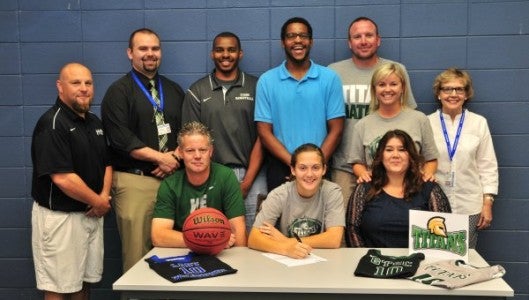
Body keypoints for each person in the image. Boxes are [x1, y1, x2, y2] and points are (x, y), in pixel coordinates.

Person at [101, 28, 185, 272]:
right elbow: (120, 138)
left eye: (155, 48)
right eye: (143, 48)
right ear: (130, 53)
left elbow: (188, 131)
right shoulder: (118, 92)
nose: (150, 54)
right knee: (137, 256)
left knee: (174, 256)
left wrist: (176, 158)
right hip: (135, 182)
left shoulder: (173, 90)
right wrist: (161, 158)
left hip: (173, 182)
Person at [31, 62, 112, 299]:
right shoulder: (52, 123)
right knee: (59, 287)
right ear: (60, 87)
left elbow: (107, 164)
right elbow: (63, 178)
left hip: (92, 215)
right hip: (61, 220)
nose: (84, 88)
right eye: (76, 83)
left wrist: (103, 198)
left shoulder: (94, 122)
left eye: (88, 83)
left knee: (84, 283)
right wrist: (98, 202)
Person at [181, 32, 267, 232]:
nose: (225, 55)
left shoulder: (257, 87)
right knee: (215, 235)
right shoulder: (198, 91)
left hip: (252, 174)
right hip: (212, 175)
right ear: (212, 54)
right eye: (220, 50)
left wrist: (247, 182)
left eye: (231, 50)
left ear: (240, 54)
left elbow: (264, 136)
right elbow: (193, 143)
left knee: (255, 235)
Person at [328, 16, 417, 202]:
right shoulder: (333, 73)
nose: (363, 41)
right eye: (357, 36)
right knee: (342, 224)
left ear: (378, 40)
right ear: (349, 43)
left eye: (369, 35)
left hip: (391, 170)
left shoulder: (395, 70)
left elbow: (408, 117)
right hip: (344, 168)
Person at [255, 17, 345, 191]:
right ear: (283, 42)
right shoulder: (267, 81)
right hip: (281, 167)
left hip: (320, 167)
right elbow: (264, 132)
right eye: (291, 36)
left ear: (311, 41)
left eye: (303, 36)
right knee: (283, 219)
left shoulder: (330, 78)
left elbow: (337, 129)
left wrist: (313, 166)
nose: (297, 40)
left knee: (320, 219)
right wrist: (295, 165)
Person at [428, 68, 498, 248]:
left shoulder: (478, 123)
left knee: (463, 259)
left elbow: (487, 165)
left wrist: (487, 203)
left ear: (467, 94)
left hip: (469, 205)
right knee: (434, 256)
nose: (453, 94)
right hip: (433, 205)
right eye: (447, 89)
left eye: (459, 89)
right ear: (438, 94)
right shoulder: (426, 123)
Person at [346, 130, 451, 248]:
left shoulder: (429, 188)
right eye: (389, 150)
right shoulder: (364, 188)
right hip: (374, 263)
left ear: (411, 156)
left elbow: (445, 236)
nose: (395, 155)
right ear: (381, 156)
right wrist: (366, 259)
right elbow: (352, 229)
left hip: (420, 264)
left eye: (402, 150)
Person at [151, 121, 247, 247]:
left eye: (203, 150)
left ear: (211, 151)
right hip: (184, 252)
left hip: (221, 252)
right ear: (180, 152)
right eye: (190, 150)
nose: (197, 156)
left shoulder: (226, 177)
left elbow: (238, 232)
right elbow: (158, 236)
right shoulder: (170, 184)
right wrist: (209, 240)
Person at [248, 143, 344, 259]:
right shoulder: (279, 194)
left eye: (315, 167)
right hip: (288, 260)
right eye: (303, 168)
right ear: (293, 170)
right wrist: (286, 248)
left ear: (324, 169)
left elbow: (334, 239)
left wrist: (286, 240)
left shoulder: (332, 192)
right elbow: (254, 238)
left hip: (321, 259)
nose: (309, 174)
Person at [348, 62, 438, 184]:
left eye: (393, 84)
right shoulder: (362, 125)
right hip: (377, 191)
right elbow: (356, 162)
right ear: (374, 89)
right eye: (382, 84)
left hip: (412, 191)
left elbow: (431, 159)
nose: (387, 89)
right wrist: (363, 174)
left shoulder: (420, 120)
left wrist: (426, 176)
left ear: (403, 88)